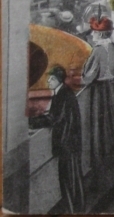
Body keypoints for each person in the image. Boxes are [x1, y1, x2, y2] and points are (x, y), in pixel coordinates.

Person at [29, 66, 85, 213]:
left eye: (50, 79)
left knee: (67, 181)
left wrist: (31, 122)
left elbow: (54, 118)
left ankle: (72, 210)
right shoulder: (66, 92)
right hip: (72, 143)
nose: (48, 81)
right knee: (74, 180)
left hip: (67, 144)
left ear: (56, 79)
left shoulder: (61, 95)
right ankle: (76, 209)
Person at [82, 16, 114, 172]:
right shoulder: (113, 47)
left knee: (100, 125)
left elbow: (88, 76)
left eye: (94, 32)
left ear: (100, 33)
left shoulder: (97, 51)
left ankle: (102, 159)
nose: (92, 34)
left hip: (100, 91)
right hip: (113, 87)